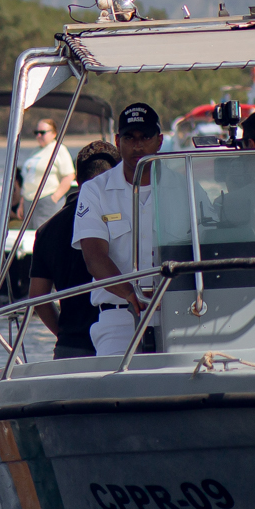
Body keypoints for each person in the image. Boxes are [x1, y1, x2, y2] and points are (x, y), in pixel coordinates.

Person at [74, 103, 164, 358]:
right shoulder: (95, 190)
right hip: (118, 316)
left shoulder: (182, 185)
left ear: (159, 141)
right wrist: (131, 295)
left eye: (145, 137)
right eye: (129, 137)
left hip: (180, 312)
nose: (138, 145)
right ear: (117, 141)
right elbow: (94, 257)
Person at [27, 144, 120, 359]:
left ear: (77, 180)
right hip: (122, 340)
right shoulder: (127, 216)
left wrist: (64, 333)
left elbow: (38, 296)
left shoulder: (47, 229)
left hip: (71, 345)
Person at [23, 119, 78, 207]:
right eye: (36, 132)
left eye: (42, 132)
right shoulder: (35, 151)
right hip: (29, 200)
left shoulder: (59, 149)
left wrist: (54, 198)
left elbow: (69, 175)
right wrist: (22, 203)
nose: (39, 135)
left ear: (53, 134)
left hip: (46, 200)